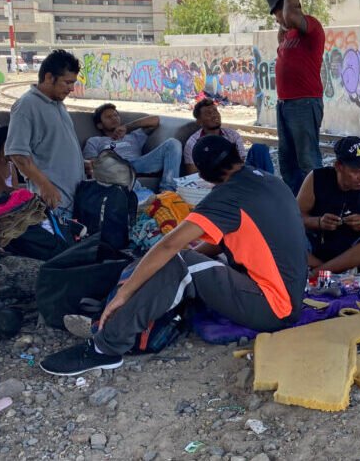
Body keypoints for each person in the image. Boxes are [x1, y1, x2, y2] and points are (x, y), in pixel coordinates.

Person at [40, 135, 306, 376]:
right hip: (287, 294)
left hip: (273, 307)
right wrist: (191, 257)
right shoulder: (269, 180)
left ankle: (106, 347)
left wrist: (126, 292)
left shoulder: (227, 196)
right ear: (238, 154)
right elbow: (228, 240)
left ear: (203, 175)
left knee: (176, 262)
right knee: (178, 261)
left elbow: (169, 246)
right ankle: (115, 313)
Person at [5, 49, 84, 219]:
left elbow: (53, 147)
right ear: (49, 77)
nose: (71, 88)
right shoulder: (26, 106)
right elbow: (17, 153)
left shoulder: (58, 104)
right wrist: (44, 185)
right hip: (53, 202)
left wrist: (81, 163)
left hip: (73, 198)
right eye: (67, 82)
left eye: (73, 83)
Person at [297, 136, 360, 275]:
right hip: (317, 248)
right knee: (280, 239)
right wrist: (318, 222)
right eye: (356, 171)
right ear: (338, 166)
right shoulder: (316, 178)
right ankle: (332, 269)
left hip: (354, 252)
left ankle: (318, 272)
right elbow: (294, 218)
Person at [265, 0, 326, 194]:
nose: (277, 19)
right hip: (285, 104)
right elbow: (286, 23)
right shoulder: (288, 35)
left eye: (277, 13)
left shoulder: (311, 26)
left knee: (308, 160)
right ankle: (296, 204)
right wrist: (282, 28)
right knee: (288, 162)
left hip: (304, 102)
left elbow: (291, 16)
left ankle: (319, 203)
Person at [83, 104, 181, 191]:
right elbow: (93, 164)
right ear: (100, 125)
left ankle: (168, 192)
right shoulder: (94, 141)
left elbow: (155, 120)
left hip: (138, 164)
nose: (114, 118)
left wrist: (127, 127)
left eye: (116, 115)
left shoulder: (134, 135)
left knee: (173, 143)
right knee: (121, 174)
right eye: (109, 117)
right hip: (114, 169)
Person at [183, 98, 274, 175]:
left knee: (259, 149)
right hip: (212, 178)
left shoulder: (232, 135)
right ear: (199, 121)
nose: (214, 115)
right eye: (208, 113)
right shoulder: (193, 143)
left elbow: (240, 162)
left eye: (215, 111)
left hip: (236, 173)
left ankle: (270, 184)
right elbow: (191, 173)